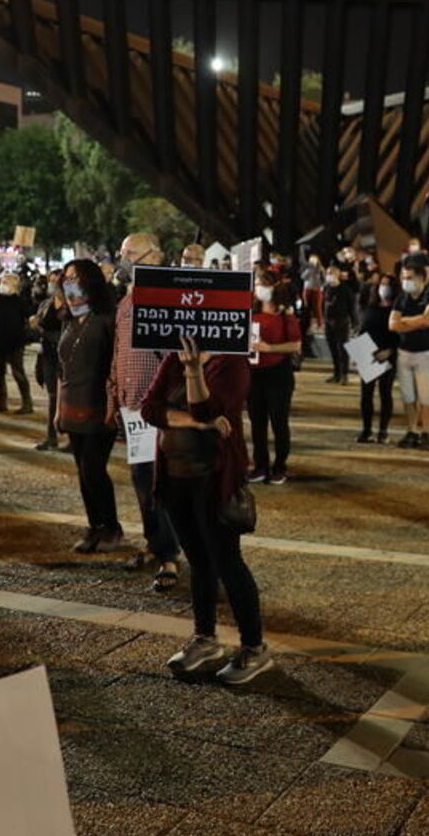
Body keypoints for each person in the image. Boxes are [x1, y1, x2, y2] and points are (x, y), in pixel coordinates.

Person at [141, 333, 271, 685]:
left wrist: (195, 373)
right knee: (198, 561)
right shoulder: (174, 357)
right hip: (175, 477)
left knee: (228, 563)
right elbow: (150, 408)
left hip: (214, 480)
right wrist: (196, 423)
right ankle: (205, 638)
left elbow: (212, 412)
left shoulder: (232, 361)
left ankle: (255, 647)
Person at [107, 233, 183, 585]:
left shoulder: (170, 299)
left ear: (155, 256)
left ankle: (170, 555)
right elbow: (118, 353)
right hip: (131, 407)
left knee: (161, 483)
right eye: (123, 254)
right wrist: (114, 398)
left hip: (158, 407)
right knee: (141, 481)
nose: (125, 260)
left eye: (132, 253)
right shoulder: (126, 302)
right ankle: (155, 542)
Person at [58, 259, 123, 551]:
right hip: (72, 403)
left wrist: (115, 405)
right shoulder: (70, 319)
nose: (71, 282)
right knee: (82, 471)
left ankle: (111, 527)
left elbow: (116, 364)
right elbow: (63, 367)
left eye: (76, 277)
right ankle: (94, 525)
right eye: (67, 277)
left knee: (93, 468)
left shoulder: (108, 318)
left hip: (100, 405)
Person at [249, 270, 302, 484]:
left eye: (263, 283)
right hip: (253, 373)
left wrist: (269, 348)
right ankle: (260, 465)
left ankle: (280, 466)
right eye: (257, 283)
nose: (259, 287)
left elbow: (295, 345)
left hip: (278, 373)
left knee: (278, 422)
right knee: (257, 422)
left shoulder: (285, 314)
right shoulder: (250, 311)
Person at [390, 260, 429, 449]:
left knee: (426, 395)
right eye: (404, 277)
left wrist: (404, 322)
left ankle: (426, 433)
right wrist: (416, 321)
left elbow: (428, 319)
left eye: (410, 277)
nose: (406, 281)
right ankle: (412, 430)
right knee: (408, 396)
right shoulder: (401, 298)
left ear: (422, 278)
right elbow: (392, 324)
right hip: (405, 352)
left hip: (426, 352)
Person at [357, 273, 400, 443]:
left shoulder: (397, 309)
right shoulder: (371, 307)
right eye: (382, 284)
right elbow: (363, 330)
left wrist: (390, 351)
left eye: (387, 284)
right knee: (366, 395)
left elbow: (399, 335)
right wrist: (360, 352)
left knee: (385, 393)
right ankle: (366, 429)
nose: (384, 287)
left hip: (387, 355)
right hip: (368, 354)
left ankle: (383, 431)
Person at [0, 273, 35, 415]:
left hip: (14, 343)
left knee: (18, 373)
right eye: (2, 281)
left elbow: (27, 320)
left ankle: (27, 403)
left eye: (6, 282)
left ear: (15, 285)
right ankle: (1, 402)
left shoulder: (20, 301)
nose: (3, 284)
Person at [33, 269, 67, 451]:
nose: (53, 285)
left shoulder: (70, 306)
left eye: (56, 281)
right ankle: (51, 436)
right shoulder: (46, 303)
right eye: (50, 281)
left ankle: (66, 435)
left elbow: (65, 335)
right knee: (52, 397)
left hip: (63, 357)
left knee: (64, 397)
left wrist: (41, 329)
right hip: (47, 354)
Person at [322, 265, 357, 384]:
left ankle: (344, 375)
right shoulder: (326, 288)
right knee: (333, 349)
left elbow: (352, 307)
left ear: (338, 275)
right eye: (327, 273)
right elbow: (323, 304)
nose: (329, 275)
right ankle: (336, 374)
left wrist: (354, 322)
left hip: (341, 321)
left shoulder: (345, 289)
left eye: (331, 273)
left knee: (342, 349)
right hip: (328, 322)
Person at [302, 253, 325, 333]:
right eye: (311, 260)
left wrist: (321, 287)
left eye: (314, 260)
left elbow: (324, 280)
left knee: (317, 308)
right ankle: (308, 326)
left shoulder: (321, 269)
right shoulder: (307, 268)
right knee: (307, 308)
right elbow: (302, 277)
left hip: (316, 289)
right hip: (307, 289)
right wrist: (308, 271)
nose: (312, 261)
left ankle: (320, 325)